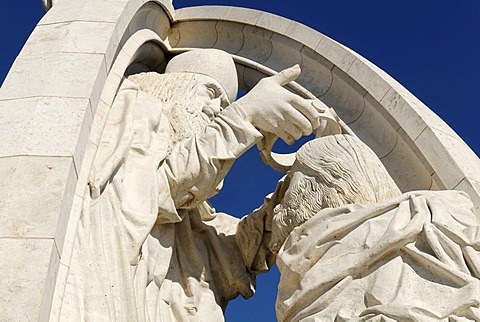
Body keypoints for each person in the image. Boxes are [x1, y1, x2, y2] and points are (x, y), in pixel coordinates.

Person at [60, 49, 323, 321]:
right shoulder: (136, 108)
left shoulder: (194, 218)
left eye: (224, 106)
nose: (216, 110)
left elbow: (234, 248)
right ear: (173, 87)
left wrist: (305, 180)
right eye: (210, 94)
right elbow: (151, 187)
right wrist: (245, 116)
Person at [266, 134, 480, 321]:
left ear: (330, 176)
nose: (278, 197)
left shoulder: (416, 218)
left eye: (292, 177)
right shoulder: (297, 264)